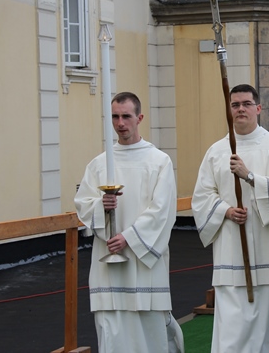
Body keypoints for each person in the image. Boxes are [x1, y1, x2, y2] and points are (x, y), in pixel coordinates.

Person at [191, 84, 269, 353]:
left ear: (258, 108)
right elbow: (202, 196)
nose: (240, 109)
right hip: (231, 251)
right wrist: (225, 211)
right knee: (232, 325)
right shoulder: (216, 151)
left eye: (246, 104)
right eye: (235, 104)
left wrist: (250, 177)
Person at [74, 92, 183, 353]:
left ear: (139, 118)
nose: (120, 123)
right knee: (113, 331)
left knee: (149, 331)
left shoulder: (158, 161)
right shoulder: (100, 164)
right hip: (108, 267)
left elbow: (163, 211)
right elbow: (82, 204)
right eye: (115, 117)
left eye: (126, 116)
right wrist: (101, 206)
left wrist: (128, 238)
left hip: (144, 264)